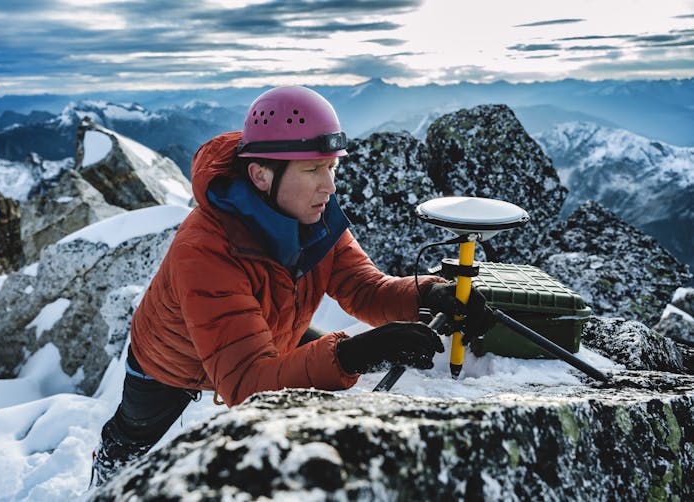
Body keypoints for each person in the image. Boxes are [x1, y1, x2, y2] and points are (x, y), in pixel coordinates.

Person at [90, 85, 494, 487]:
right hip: (170, 360)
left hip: (268, 332)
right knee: (132, 438)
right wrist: (356, 354)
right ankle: (104, 475)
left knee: (317, 382)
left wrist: (428, 296)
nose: (329, 186)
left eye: (331, 167)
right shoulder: (206, 249)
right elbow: (247, 384)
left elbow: (364, 289)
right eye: (312, 170)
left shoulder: (315, 214)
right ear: (261, 175)